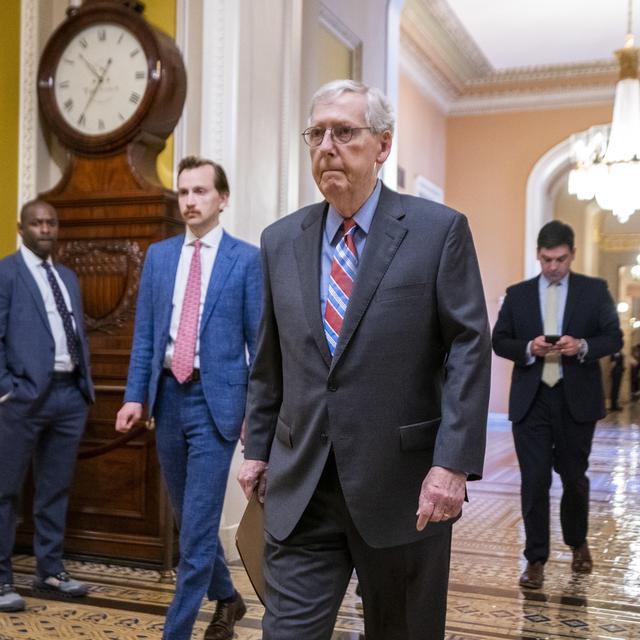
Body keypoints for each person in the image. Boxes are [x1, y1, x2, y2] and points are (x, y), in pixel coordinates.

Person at [238, 80, 491, 640]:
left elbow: (468, 348)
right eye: (317, 133)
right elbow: (271, 357)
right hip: (302, 484)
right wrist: (257, 449)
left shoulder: (436, 232)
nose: (327, 145)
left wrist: (452, 463)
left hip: (403, 490)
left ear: (382, 145)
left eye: (345, 132)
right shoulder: (281, 240)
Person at [115, 157, 262, 640]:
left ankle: (173, 633)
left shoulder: (245, 260)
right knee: (189, 520)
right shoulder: (159, 257)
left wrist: (255, 418)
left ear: (222, 198)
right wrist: (135, 396)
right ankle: (228, 597)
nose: (190, 201)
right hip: (168, 399)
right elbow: (145, 337)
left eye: (200, 191)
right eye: (184, 192)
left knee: (196, 530)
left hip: (217, 406)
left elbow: (259, 346)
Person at [492, 220, 622, 589]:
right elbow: (499, 340)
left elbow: (613, 337)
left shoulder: (594, 291)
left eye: (561, 259)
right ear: (538, 255)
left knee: (574, 479)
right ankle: (535, 560)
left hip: (575, 400)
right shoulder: (517, 295)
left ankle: (578, 543)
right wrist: (528, 348)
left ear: (572, 255)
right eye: (547, 259)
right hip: (532, 401)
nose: (553, 267)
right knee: (533, 482)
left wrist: (581, 346)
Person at [0, 200, 94, 612]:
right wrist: (7, 388)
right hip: (21, 399)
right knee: (4, 492)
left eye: (51, 222)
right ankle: (2, 580)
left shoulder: (68, 276)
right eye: (36, 223)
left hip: (69, 395)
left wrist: (81, 387)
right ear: (21, 229)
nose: (45, 228)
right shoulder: (6, 273)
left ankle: (50, 571)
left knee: (56, 488)